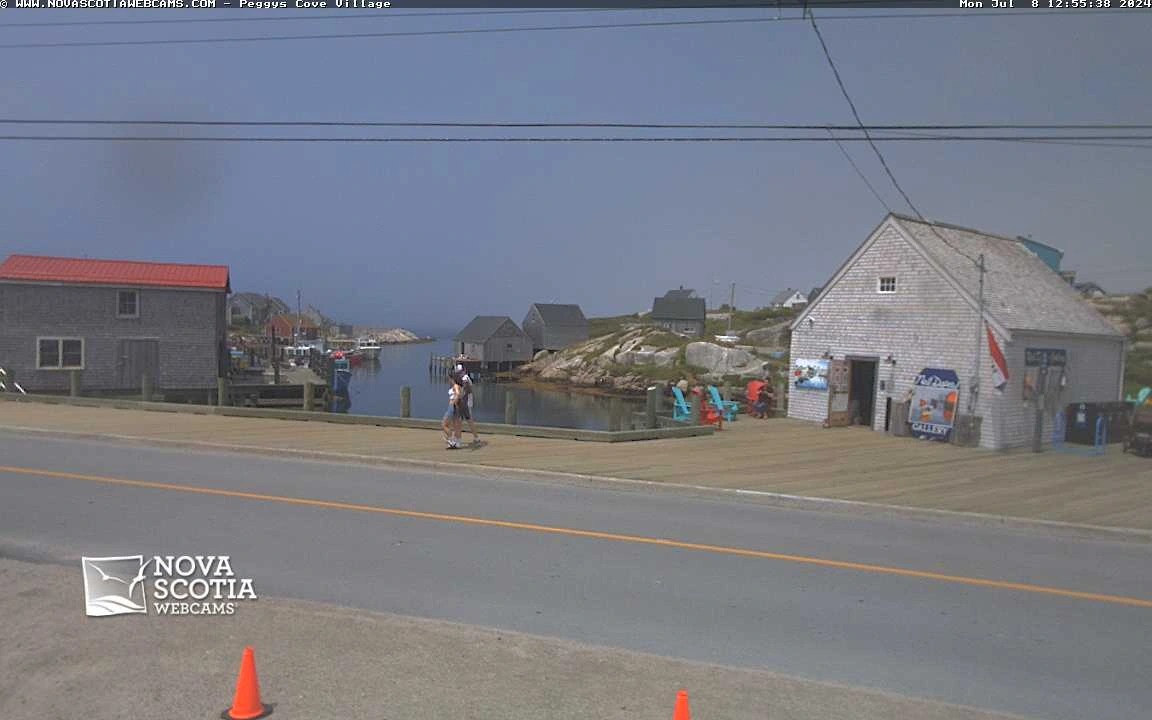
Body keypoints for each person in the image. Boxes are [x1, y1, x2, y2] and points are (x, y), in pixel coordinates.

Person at [454, 364, 480, 445]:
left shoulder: (465, 378)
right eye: (458, 372)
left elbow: (465, 388)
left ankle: (458, 440)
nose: (459, 373)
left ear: (464, 371)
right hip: (464, 402)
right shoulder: (460, 378)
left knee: (461, 420)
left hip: (466, 402)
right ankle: (476, 438)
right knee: (467, 420)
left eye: (460, 372)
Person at [442, 371, 463, 449]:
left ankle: (451, 440)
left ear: (452, 378)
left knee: (444, 424)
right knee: (456, 425)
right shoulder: (456, 386)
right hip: (456, 407)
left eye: (448, 378)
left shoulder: (455, 386)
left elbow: (458, 394)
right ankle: (457, 442)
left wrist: (454, 402)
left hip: (452, 406)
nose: (448, 380)